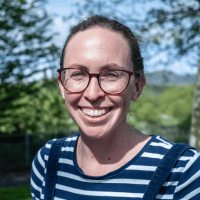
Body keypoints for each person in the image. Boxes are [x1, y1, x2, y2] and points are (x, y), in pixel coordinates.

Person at [31, 16, 200, 200]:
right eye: (78, 73)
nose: (92, 94)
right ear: (62, 86)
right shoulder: (48, 162)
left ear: (137, 87)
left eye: (111, 74)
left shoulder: (183, 172)